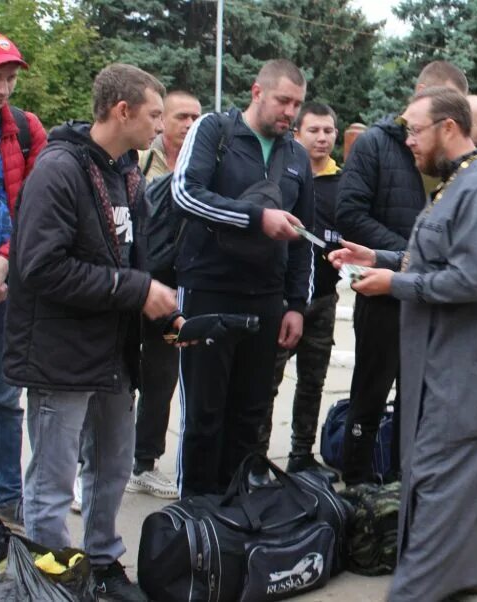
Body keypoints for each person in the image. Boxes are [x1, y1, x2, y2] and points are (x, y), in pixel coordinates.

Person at [329, 85, 477, 601]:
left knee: (446, 464)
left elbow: (468, 280)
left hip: (466, 351)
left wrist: (394, 285)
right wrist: (377, 258)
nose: (408, 140)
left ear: (448, 129)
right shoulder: (460, 181)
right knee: (449, 463)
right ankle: (462, 574)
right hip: (449, 346)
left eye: (415, 130)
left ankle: (418, 588)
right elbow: (434, 259)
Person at [5, 63, 177, 601]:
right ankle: (52, 580)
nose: (160, 126)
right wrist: (134, 290)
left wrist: (163, 313)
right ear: (122, 111)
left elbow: (137, 257)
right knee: (53, 483)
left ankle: (103, 563)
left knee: (111, 468)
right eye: (153, 114)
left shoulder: (127, 171)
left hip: (113, 355)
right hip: (61, 354)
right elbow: (39, 267)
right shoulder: (58, 170)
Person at [170, 59, 314, 497]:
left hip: (267, 299)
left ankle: (234, 519)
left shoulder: (297, 156)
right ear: (257, 92)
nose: (290, 113)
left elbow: (302, 236)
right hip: (208, 290)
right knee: (204, 414)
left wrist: (295, 305)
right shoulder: (216, 131)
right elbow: (185, 193)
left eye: (297, 105)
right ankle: (194, 517)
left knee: (249, 415)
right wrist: (255, 219)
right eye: (282, 101)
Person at [335, 60, 468, 486]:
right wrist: (411, 254)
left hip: (431, 297)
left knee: (417, 402)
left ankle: (399, 490)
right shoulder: (376, 144)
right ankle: (356, 486)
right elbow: (349, 214)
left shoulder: (461, 165)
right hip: (384, 295)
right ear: (418, 92)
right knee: (369, 397)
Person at [0, 32, 46, 528]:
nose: (3, 88)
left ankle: (8, 500)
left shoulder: (26, 129)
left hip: (6, 280)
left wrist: (4, 262)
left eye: (9, 78)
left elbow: (38, 208)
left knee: (6, 398)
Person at [126, 90, 201, 500]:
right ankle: (91, 466)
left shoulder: (203, 168)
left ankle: (144, 463)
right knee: (116, 382)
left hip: (172, 293)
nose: (189, 124)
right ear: (161, 121)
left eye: (195, 117)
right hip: (130, 287)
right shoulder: (137, 162)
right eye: (180, 117)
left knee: (161, 378)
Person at [262, 102, 342, 477]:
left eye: (329, 131)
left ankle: (301, 455)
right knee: (266, 383)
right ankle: (256, 458)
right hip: (282, 299)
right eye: (314, 130)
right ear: (297, 134)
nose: (322, 138)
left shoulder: (343, 183)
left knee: (313, 382)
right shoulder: (283, 177)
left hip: (324, 298)